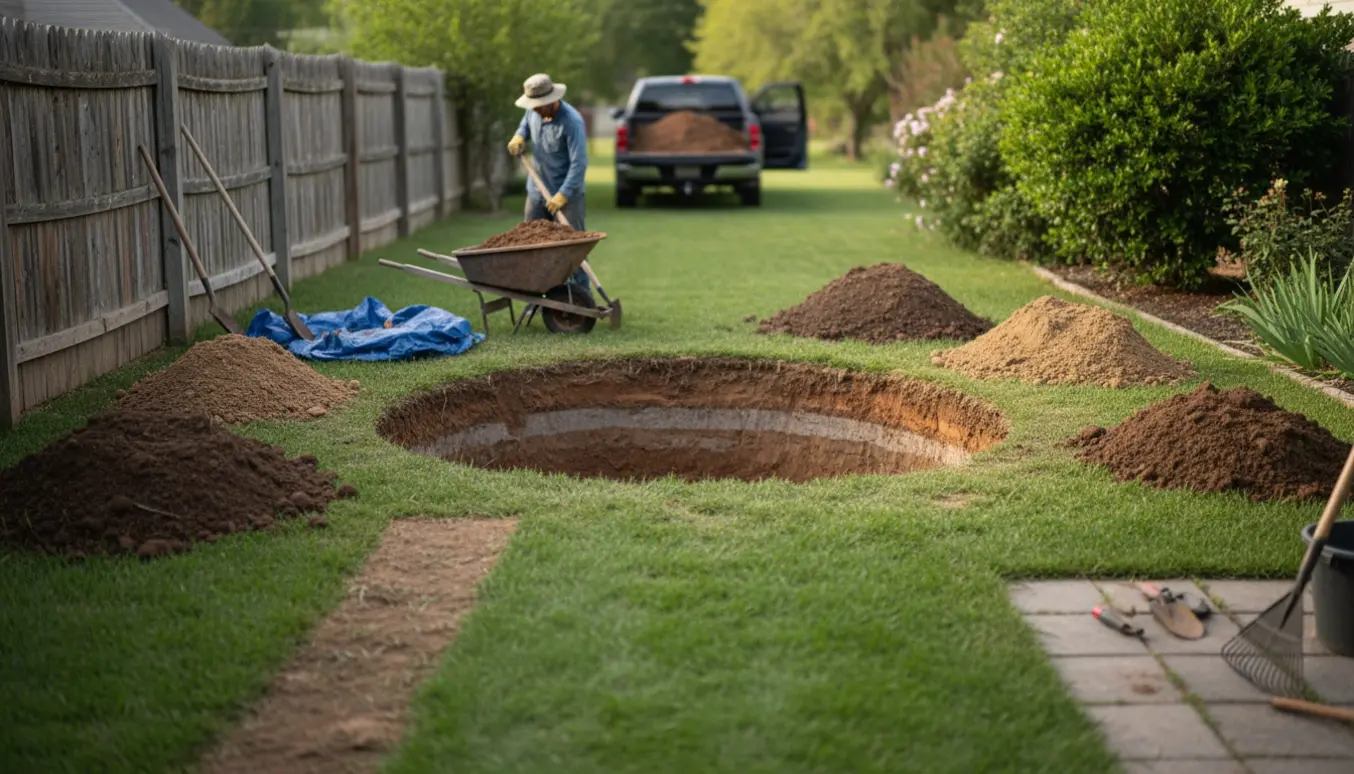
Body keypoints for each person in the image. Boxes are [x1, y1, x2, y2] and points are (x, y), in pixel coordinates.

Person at [507, 73, 590, 291]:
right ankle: (533, 293)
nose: (534, 109)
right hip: (536, 191)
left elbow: (579, 164)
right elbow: (524, 125)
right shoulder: (533, 111)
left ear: (552, 100)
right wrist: (519, 136)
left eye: (538, 105)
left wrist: (563, 194)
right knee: (529, 243)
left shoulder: (572, 122)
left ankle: (582, 298)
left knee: (573, 248)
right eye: (531, 105)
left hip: (568, 195)